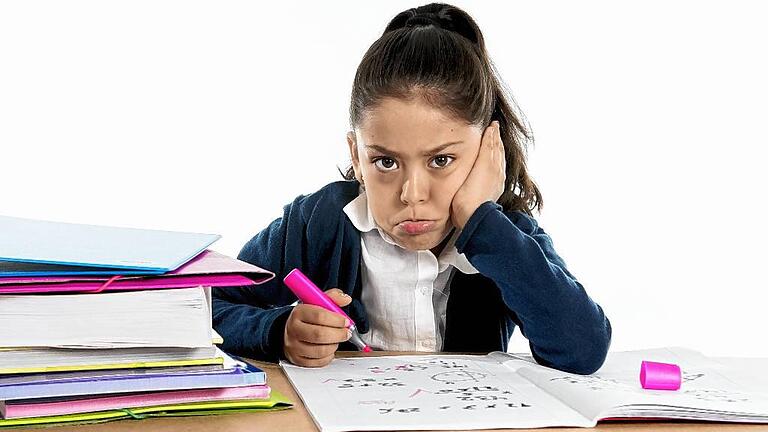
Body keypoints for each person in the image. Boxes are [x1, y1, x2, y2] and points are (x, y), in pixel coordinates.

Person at [213, 3, 611, 374]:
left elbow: (582, 350)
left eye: (441, 160)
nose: (412, 193)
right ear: (356, 154)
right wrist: (277, 329)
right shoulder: (317, 222)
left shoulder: (505, 237)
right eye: (385, 162)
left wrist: (481, 220)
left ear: (490, 149)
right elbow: (207, 306)